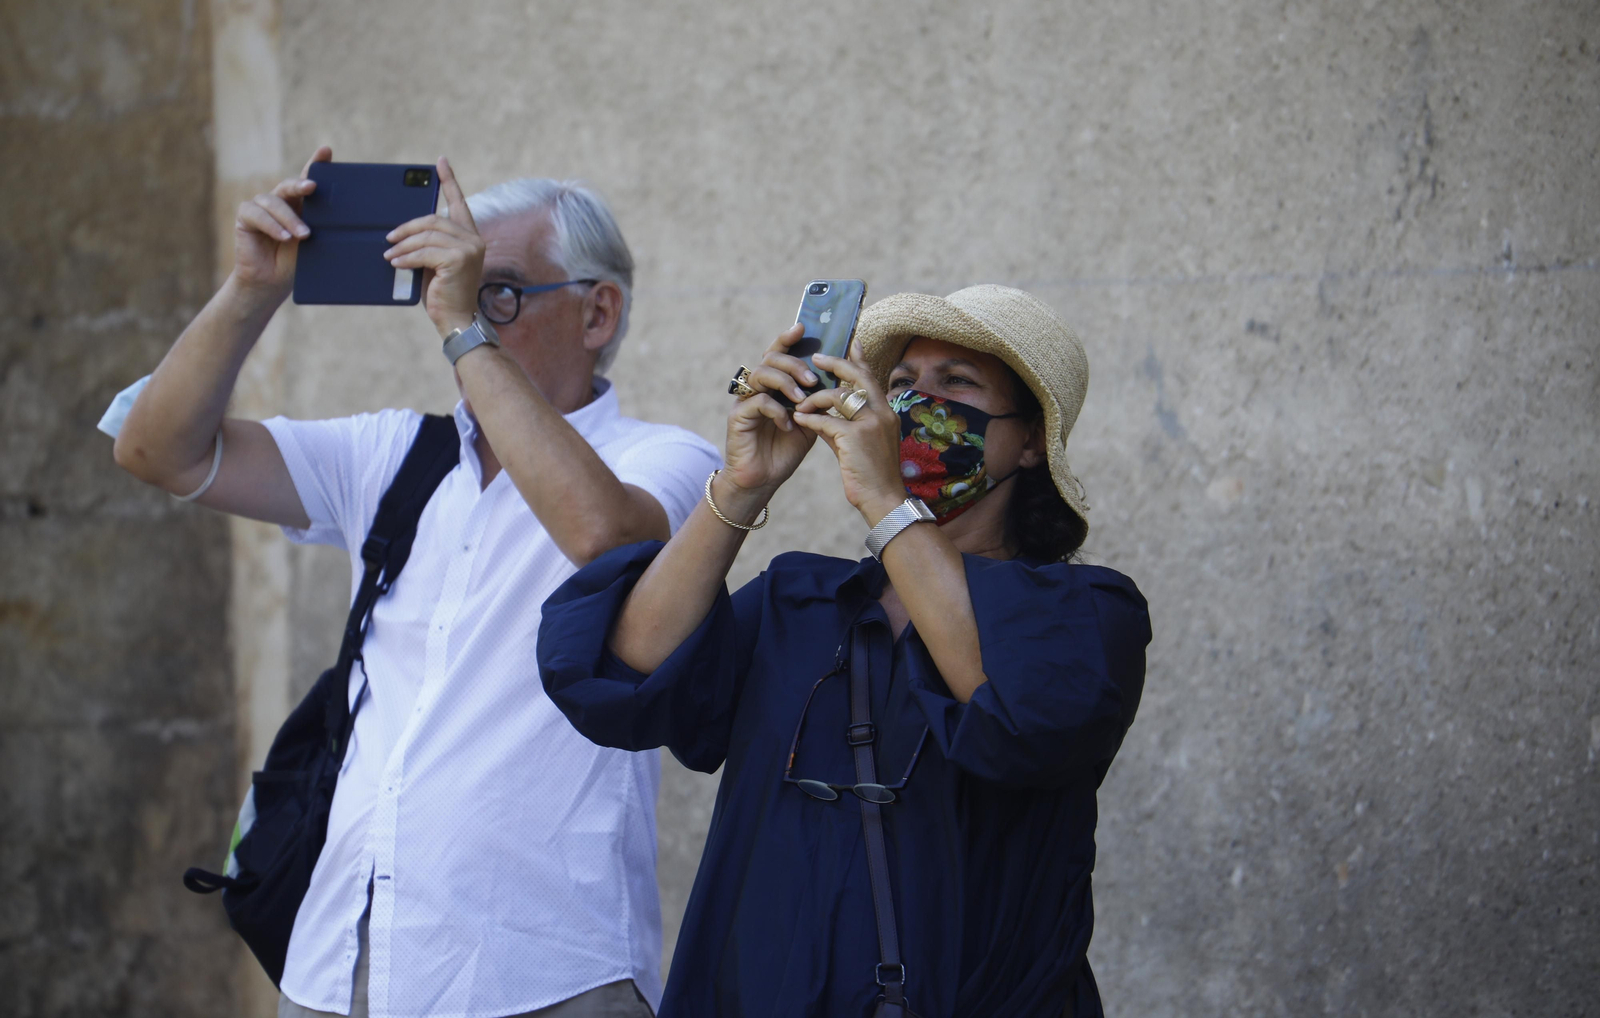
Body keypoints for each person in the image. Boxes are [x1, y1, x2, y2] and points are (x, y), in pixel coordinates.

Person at [113, 147, 719, 1017]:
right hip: (345, 960)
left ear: (599, 313)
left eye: (495, 289)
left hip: (545, 969)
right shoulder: (394, 454)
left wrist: (463, 330)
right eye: (453, 287)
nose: (464, 312)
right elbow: (155, 449)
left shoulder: (664, 458)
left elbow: (603, 536)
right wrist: (254, 287)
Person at [537, 285, 1151, 1018]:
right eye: (899, 386)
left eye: (956, 384)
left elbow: (1015, 716)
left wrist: (886, 502)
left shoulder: (1085, 615)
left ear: (1028, 442)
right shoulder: (799, 598)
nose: (910, 408)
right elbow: (622, 675)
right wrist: (742, 486)